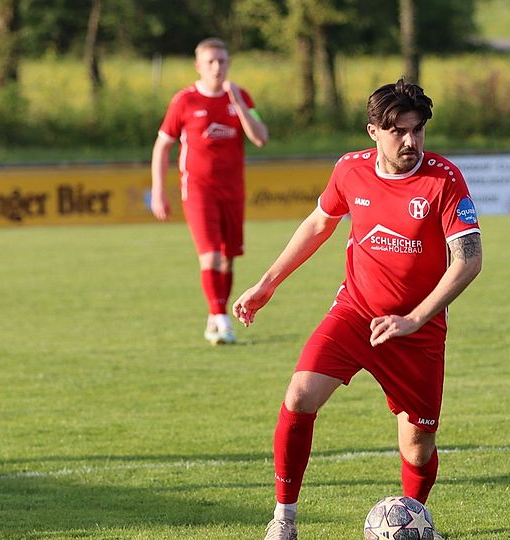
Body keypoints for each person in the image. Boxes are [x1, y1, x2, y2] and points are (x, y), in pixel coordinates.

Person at [233, 79, 482, 540]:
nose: (410, 141)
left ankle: (411, 522)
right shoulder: (350, 170)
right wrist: (267, 283)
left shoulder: (444, 179)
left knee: (418, 445)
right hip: (355, 313)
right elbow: (319, 223)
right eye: (398, 131)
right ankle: (284, 519)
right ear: (373, 132)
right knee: (299, 394)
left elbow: (468, 260)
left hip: (418, 331)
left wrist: (414, 319)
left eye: (417, 130)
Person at [151, 37, 268, 345]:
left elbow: (261, 138)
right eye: (211, 62)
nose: (217, 67)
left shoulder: (241, 96)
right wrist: (158, 189)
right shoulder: (184, 100)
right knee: (211, 255)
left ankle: (215, 314)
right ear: (198, 66)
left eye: (222, 61)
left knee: (228, 258)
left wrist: (239, 103)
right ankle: (221, 319)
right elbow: (162, 146)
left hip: (233, 191)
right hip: (198, 190)